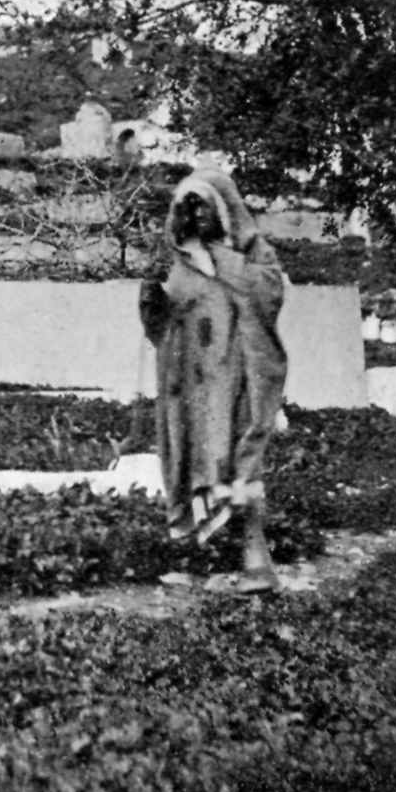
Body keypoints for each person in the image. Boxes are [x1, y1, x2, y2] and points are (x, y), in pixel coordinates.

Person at [139, 166, 295, 593]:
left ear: (223, 208)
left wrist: (222, 262)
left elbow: (268, 293)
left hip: (237, 378)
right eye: (187, 208)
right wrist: (153, 304)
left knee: (238, 462)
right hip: (193, 387)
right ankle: (198, 559)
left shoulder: (252, 252)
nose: (196, 216)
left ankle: (255, 560)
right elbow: (164, 328)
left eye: (203, 206)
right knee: (194, 465)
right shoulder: (181, 260)